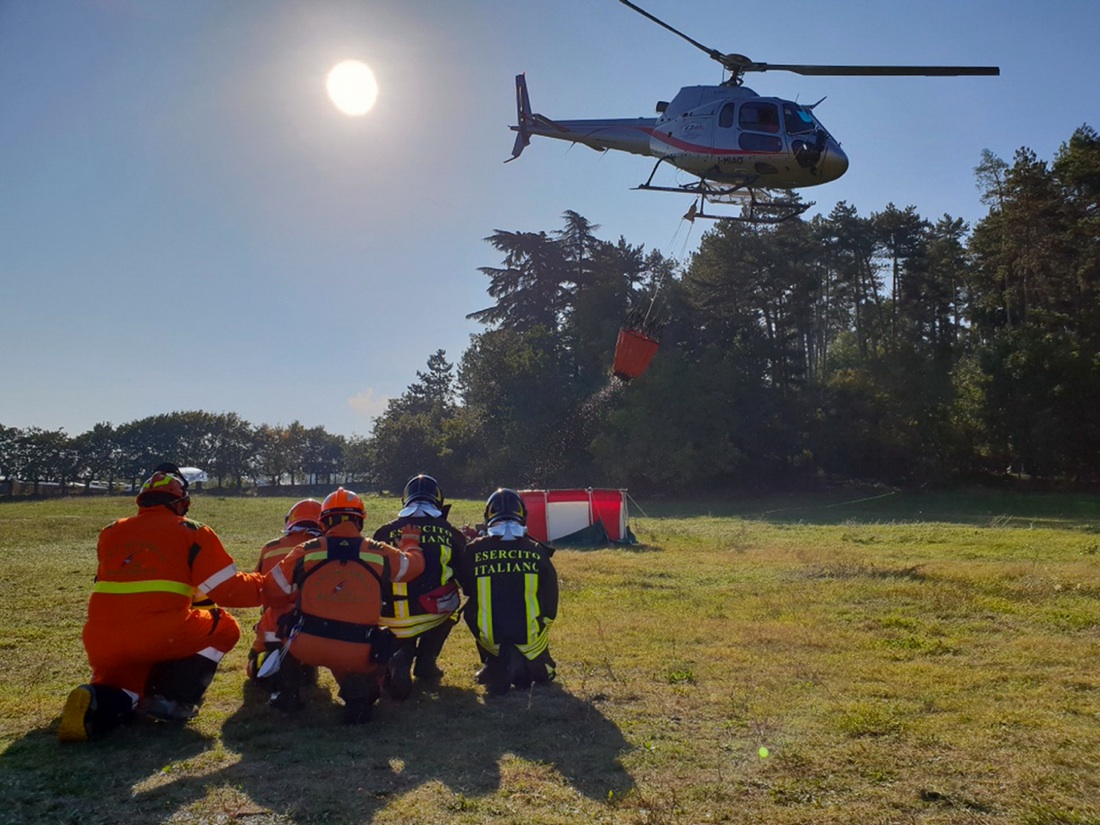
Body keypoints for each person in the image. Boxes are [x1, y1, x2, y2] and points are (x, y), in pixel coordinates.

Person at [59, 463, 264, 743]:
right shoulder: (192, 531)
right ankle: (171, 699)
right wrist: (269, 585)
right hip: (157, 635)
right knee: (225, 626)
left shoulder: (110, 531)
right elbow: (231, 591)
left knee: (129, 690)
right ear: (181, 503)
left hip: (101, 641)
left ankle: (96, 700)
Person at [262, 487, 425, 724]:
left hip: (305, 644)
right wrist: (411, 543)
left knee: (281, 624)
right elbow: (413, 567)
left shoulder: (306, 551)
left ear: (324, 522)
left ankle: (288, 693)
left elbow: (272, 589)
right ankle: (359, 694)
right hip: (358, 651)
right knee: (363, 671)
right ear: (360, 521)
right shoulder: (378, 552)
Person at [372, 474, 467, 699]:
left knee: (403, 617)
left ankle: (401, 655)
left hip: (387, 617)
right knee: (454, 603)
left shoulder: (383, 532)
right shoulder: (450, 533)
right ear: (438, 499)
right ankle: (426, 662)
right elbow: (465, 579)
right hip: (431, 612)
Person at [458, 488, 558, 696]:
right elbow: (550, 596)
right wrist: (543, 623)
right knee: (544, 674)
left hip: (488, 635)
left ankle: (494, 663)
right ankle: (515, 665)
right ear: (522, 514)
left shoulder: (474, 550)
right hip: (530, 636)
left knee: (472, 610)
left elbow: (467, 587)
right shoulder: (537, 550)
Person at [245, 499, 324, 686]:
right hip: (313, 628)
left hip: (273, 626)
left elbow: (259, 586)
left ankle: (270, 666)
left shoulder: (270, 548)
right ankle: (305, 665)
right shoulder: (325, 549)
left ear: (290, 521)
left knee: (254, 666)